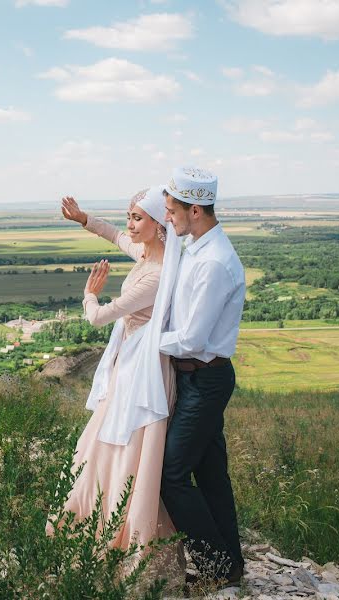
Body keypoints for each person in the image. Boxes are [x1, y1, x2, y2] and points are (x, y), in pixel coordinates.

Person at [49, 188, 181, 558]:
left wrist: (90, 294)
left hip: (140, 373)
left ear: (160, 224)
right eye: (130, 215)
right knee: (109, 443)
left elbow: (99, 317)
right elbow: (115, 235)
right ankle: (99, 517)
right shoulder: (149, 253)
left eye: (138, 218)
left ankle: (117, 530)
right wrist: (84, 219)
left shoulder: (156, 276)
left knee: (122, 447)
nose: (130, 225)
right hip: (132, 362)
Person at [158, 165, 246, 586]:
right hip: (196, 379)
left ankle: (215, 568)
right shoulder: (194, 247)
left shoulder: (213, 262)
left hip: (205, 380)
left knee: (170, 474)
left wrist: (149, 342)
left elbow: (192, 338)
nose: (167, 217)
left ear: (195, 210)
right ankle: (231, 567)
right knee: (211, 476)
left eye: (172, 210)